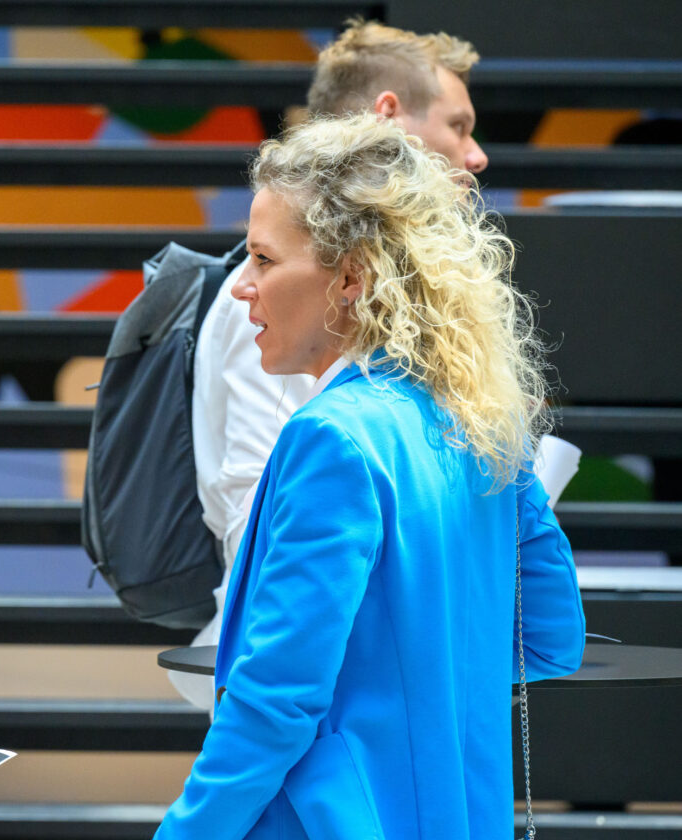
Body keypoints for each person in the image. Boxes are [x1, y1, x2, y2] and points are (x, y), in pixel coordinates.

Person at [155, 114, 585, 839]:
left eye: (263, 259)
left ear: (351, 276)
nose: (241, 288)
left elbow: (274, 703)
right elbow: (550, 638)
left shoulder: (331, 438)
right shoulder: (477, 421)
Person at [173, 19, 491, 709]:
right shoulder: (275, 298)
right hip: (301, 671)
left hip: (374, 674)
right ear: (387, 115)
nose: (476, 155)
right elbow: (251, 507)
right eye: (459, 126)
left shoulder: (383, 316)